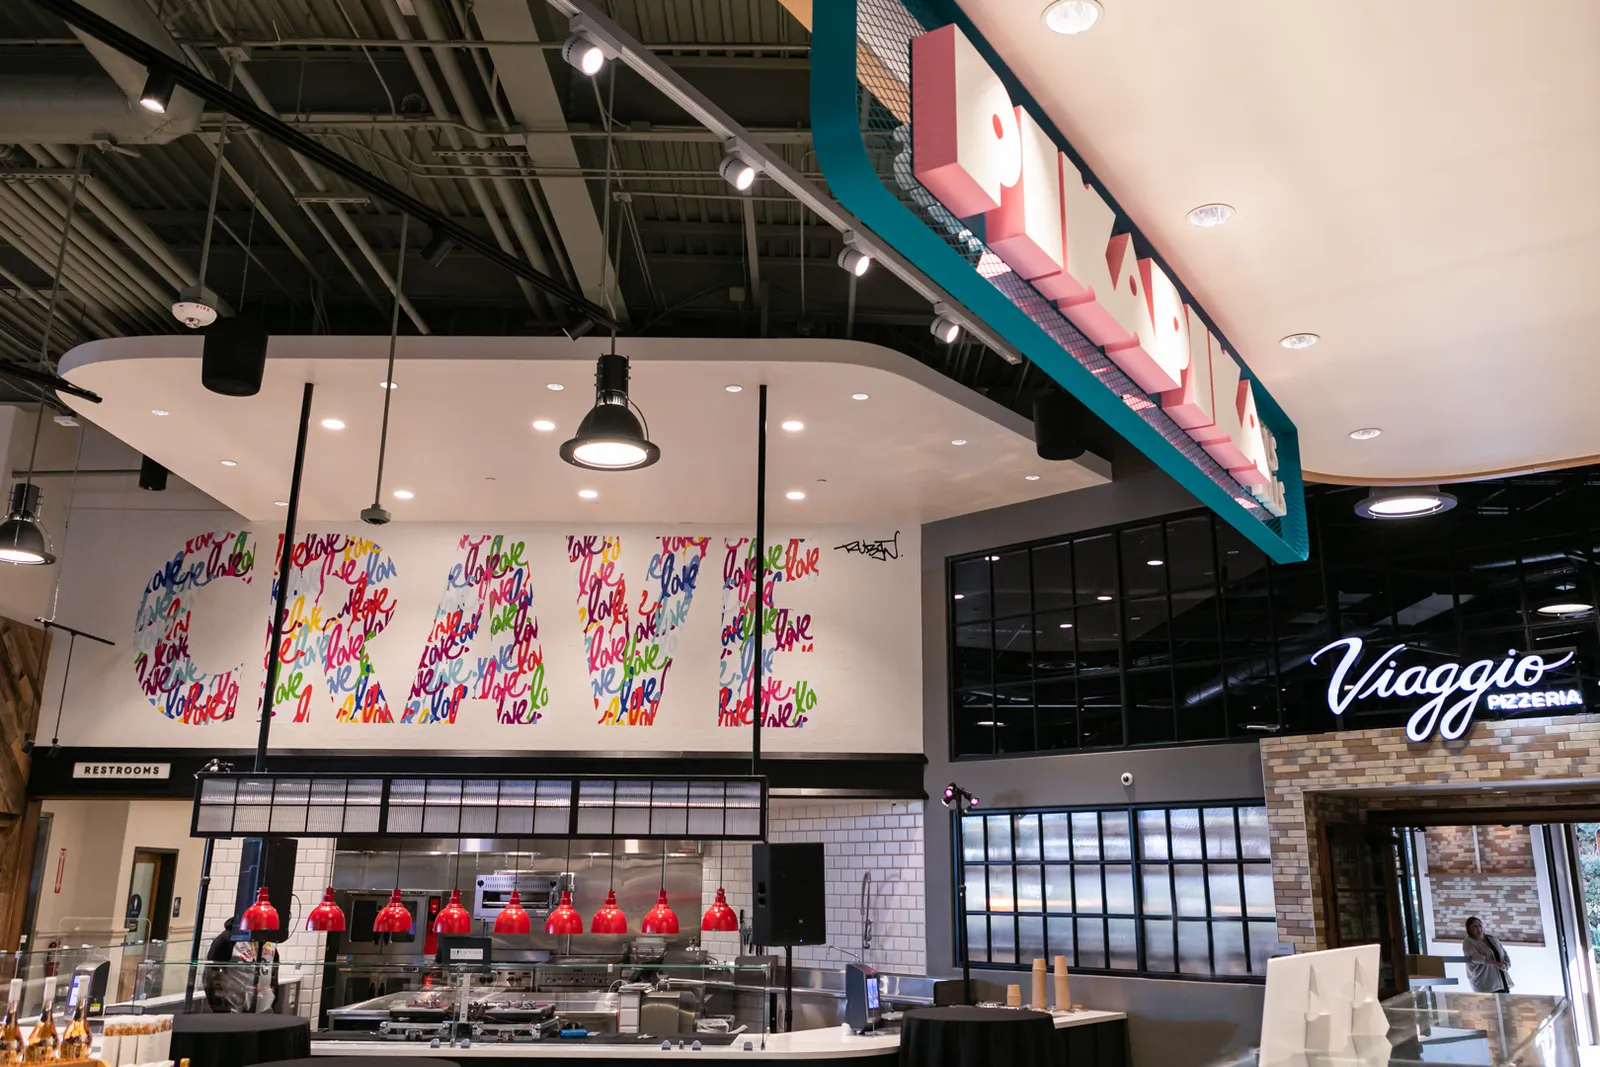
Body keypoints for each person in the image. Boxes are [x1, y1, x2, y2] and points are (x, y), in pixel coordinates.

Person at [1462, 916, 1512, 993]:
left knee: (1505, 1003)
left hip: (1501, 981)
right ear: (1469, 929)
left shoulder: (1492, 939)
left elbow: (1503, 953)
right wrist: (1496, 964)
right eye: (1475, 926)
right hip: (1485, 983)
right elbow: (1476, 958)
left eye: (1479, 925)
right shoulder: (1468, 942)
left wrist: (1507, 965)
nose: (1478, 928)